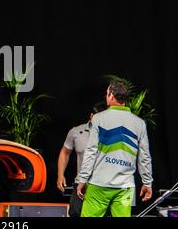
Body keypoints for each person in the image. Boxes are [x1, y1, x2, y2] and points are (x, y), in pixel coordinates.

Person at [76, 81, 153, 217]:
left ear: (111, 96)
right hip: (125, 187)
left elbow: (91, 151)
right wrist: (147, 182)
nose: (106, 97)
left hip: (99, 185)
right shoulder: (139, 123)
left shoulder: (98, 118)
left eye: (107, 94)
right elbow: (144, 156)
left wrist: (82, 179)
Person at [56, 102, 107, 217]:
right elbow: (65, 152)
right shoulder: (76, 132)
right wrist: (60, 174)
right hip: (81, 183)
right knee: (75, 213)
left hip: (103, 185)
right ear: (91, 116)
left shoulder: (111, 135)